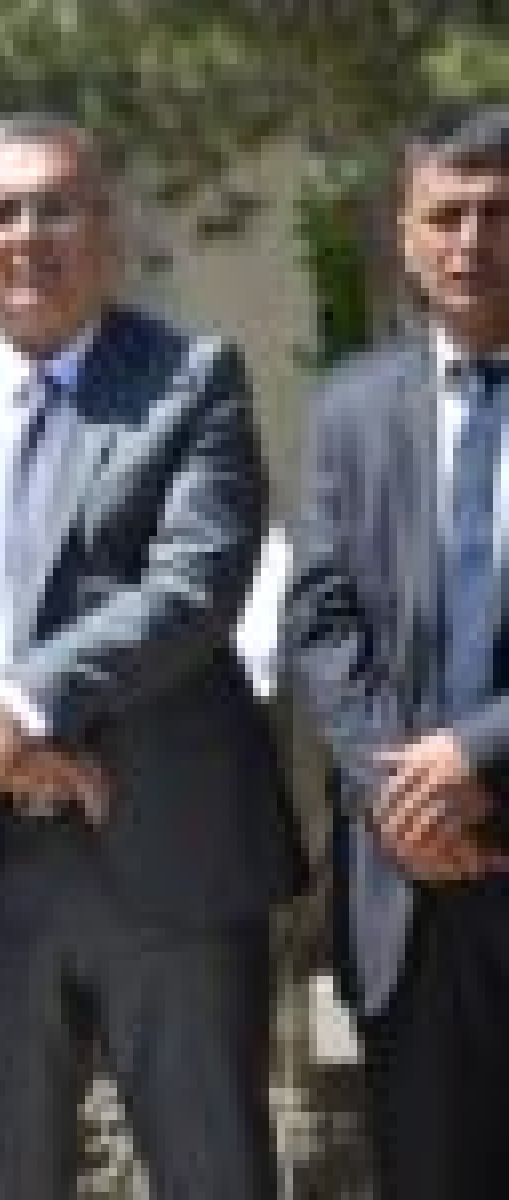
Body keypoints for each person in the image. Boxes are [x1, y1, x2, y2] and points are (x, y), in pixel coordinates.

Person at [0, 114, 303, 1200]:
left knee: (214, 1175)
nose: (28, 236)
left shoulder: (192, 380)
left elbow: (194, 584)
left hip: (167, 856)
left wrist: (24, 706)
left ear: (108, 229)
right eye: (2, 213)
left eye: (57, 209)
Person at [285, 104, 509, 1199]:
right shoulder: (351, 411)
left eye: (499, 214)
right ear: (406, 236)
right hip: (409, 885)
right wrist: (402, 793)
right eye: (446, 216)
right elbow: (321, 621)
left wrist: (478, 754)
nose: (472, 242)